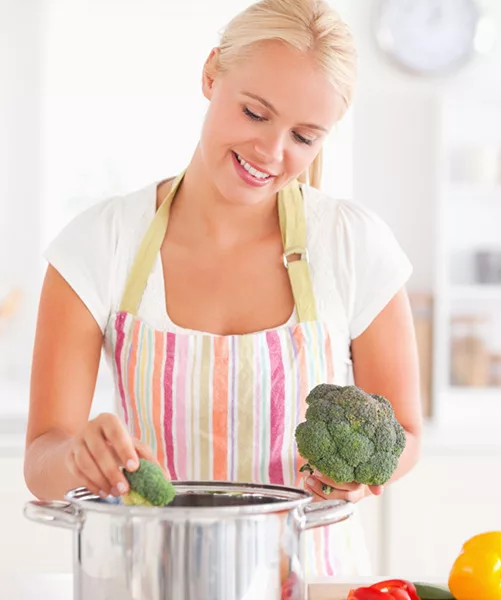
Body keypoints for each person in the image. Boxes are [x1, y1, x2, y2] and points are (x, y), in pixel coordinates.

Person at [24, 0, 422, 577]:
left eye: (304, 137)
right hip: (151, 579)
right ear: (211, 74)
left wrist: (362, 472)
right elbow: (43, 458)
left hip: (313, 580)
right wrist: (78, 457)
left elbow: (405, 433)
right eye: (255, 113)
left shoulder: (353, 243)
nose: (272, 152)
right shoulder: (101, 241)